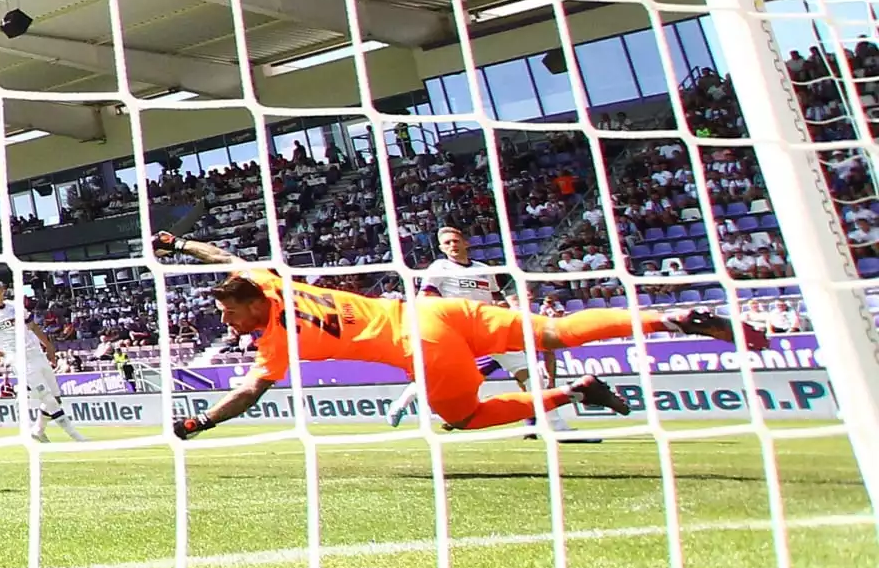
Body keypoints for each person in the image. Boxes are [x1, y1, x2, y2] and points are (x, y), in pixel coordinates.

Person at [151, 232, 769, 439]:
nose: (227, 323)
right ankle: (669, 319)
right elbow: (223, 256)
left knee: (466, 416)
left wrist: (199, 423)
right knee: (552, 332)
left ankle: (574, 395)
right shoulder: (270, 282)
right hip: (438, 312)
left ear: (252, 307)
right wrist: (179, 246)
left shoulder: (276, 338)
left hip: (422, 345)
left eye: (230, 315)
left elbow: (251, 394)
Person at [413, 227, 600, 442]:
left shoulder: (483, 269)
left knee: (531, 374)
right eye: (447, 243)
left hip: (489, 330)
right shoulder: (439, 267)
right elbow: (425, 299)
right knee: (441, 378)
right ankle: (404, 404)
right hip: (458, 333)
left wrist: (511, 315)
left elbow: (496, 300)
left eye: (456, 241)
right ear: (441, 248)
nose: (452, 246)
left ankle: (558, 430)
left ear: (466, 243)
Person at [0, 277, 86, 443]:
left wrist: (49, 346)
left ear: (2, 290)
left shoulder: (15, 306)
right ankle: (77, 437)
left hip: (36, 353)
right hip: (17, 358)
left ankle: (37, 430)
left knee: (56, 398)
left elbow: (33, 326)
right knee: (47, 397)